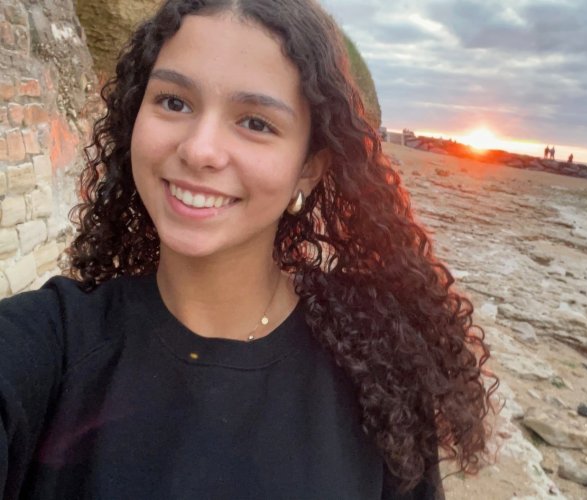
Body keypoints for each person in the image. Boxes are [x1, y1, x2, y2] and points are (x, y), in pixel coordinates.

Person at [0, 0, 496, 498]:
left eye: (256, 123)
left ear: (308, 169)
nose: (199, 149)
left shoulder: (379, 370)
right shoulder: (50, 345)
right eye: (174, 102)